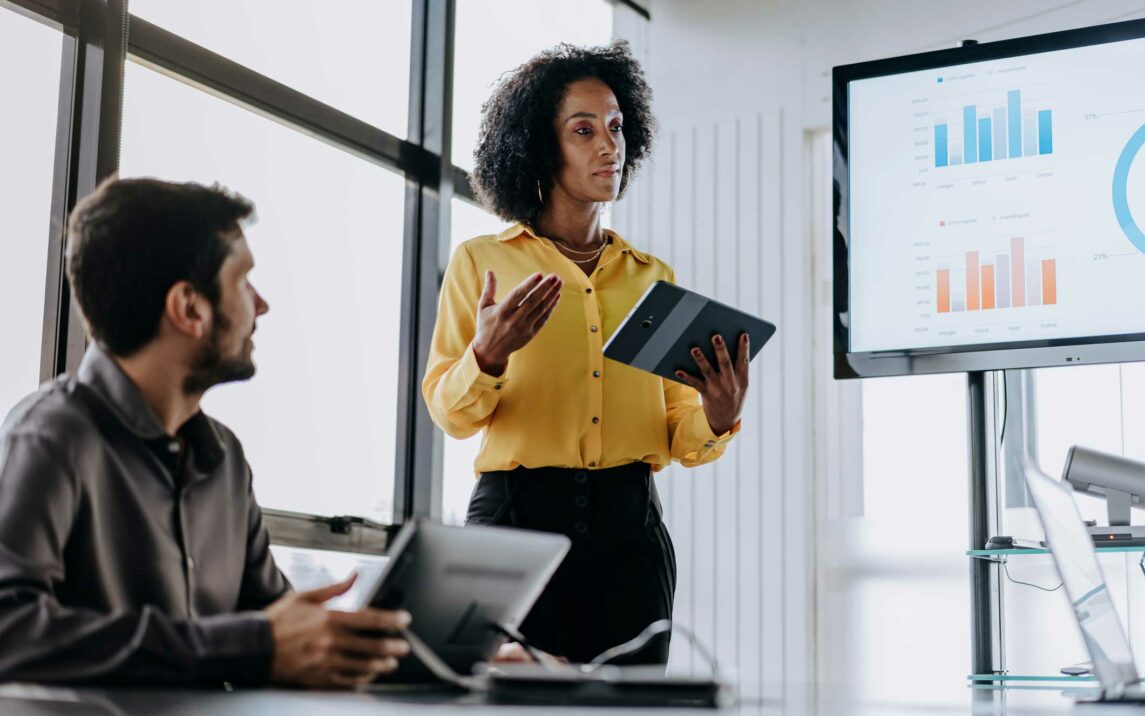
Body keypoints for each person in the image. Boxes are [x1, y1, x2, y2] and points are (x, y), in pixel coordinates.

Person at [0, 178, 411, 687]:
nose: (261, 305)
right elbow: (9, 629)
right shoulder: (51, 438)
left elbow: (281, 627)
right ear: (190, 308)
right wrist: (246, 646)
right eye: (244, 282)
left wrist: (429, 656)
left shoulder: (225, 460)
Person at [422, 42, 750, 665]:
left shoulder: (650, 278)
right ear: (540, 147)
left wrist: (718, 412)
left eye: (617, 127)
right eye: (583, 130)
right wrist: (486, 358)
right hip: (514, 526)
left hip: (630, 535)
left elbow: (683, 436)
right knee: (510, 707)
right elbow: (451, 413)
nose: (609, 145)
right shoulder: (482, 263)